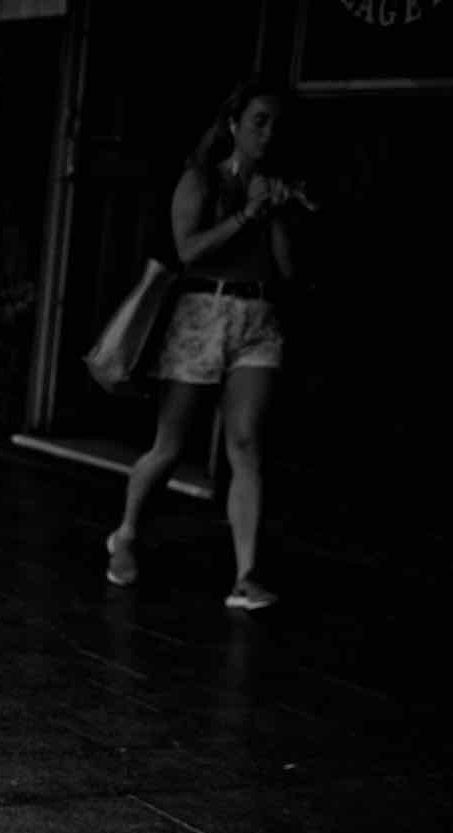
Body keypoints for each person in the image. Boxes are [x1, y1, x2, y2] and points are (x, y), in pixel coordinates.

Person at [106, 79, 309, 612]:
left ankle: (247, 575)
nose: (268, 133)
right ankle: (126, 533)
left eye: (277, 124)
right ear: (234, 125)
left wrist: (280, 213)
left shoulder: (277, 186)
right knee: (171, 444)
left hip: (258, 318)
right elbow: (188, 250)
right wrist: (246, 214)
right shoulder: (201, 181)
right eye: (259, 121)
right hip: (203, 312)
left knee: (246, 443)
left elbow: (288, 270)